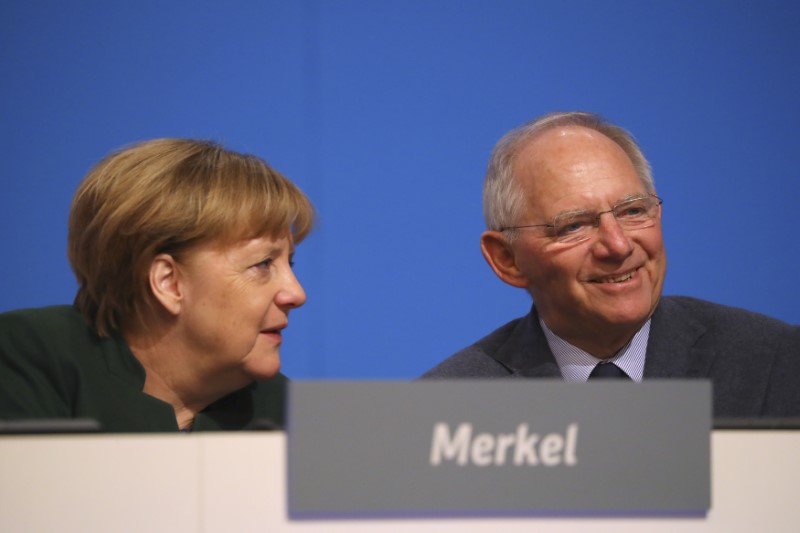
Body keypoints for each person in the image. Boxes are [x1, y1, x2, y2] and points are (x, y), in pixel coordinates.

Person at [422, 111, 799, 418]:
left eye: (634, 211)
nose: (617, 245)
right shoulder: (447, 410)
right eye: (573, 226)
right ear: (507, 260)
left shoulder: (777, 364)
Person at [0, 138, 314, 432]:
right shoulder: (28, 359)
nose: (296, 294)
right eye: (262, 264)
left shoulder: (288, 415)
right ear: (168, 282)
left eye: (291, 263)